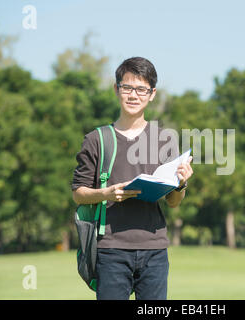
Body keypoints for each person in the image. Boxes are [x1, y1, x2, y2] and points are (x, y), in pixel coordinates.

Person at [71, 57, 193, 300]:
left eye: (141, 89)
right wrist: (105, 193)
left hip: (155, 250)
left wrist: (181, 183)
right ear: (117, 89)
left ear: (152, 94)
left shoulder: (164, 139)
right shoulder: (97, 140)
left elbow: (173, 202)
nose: (133, 95)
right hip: (110, 251)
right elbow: (78, 193)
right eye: (127, 87)